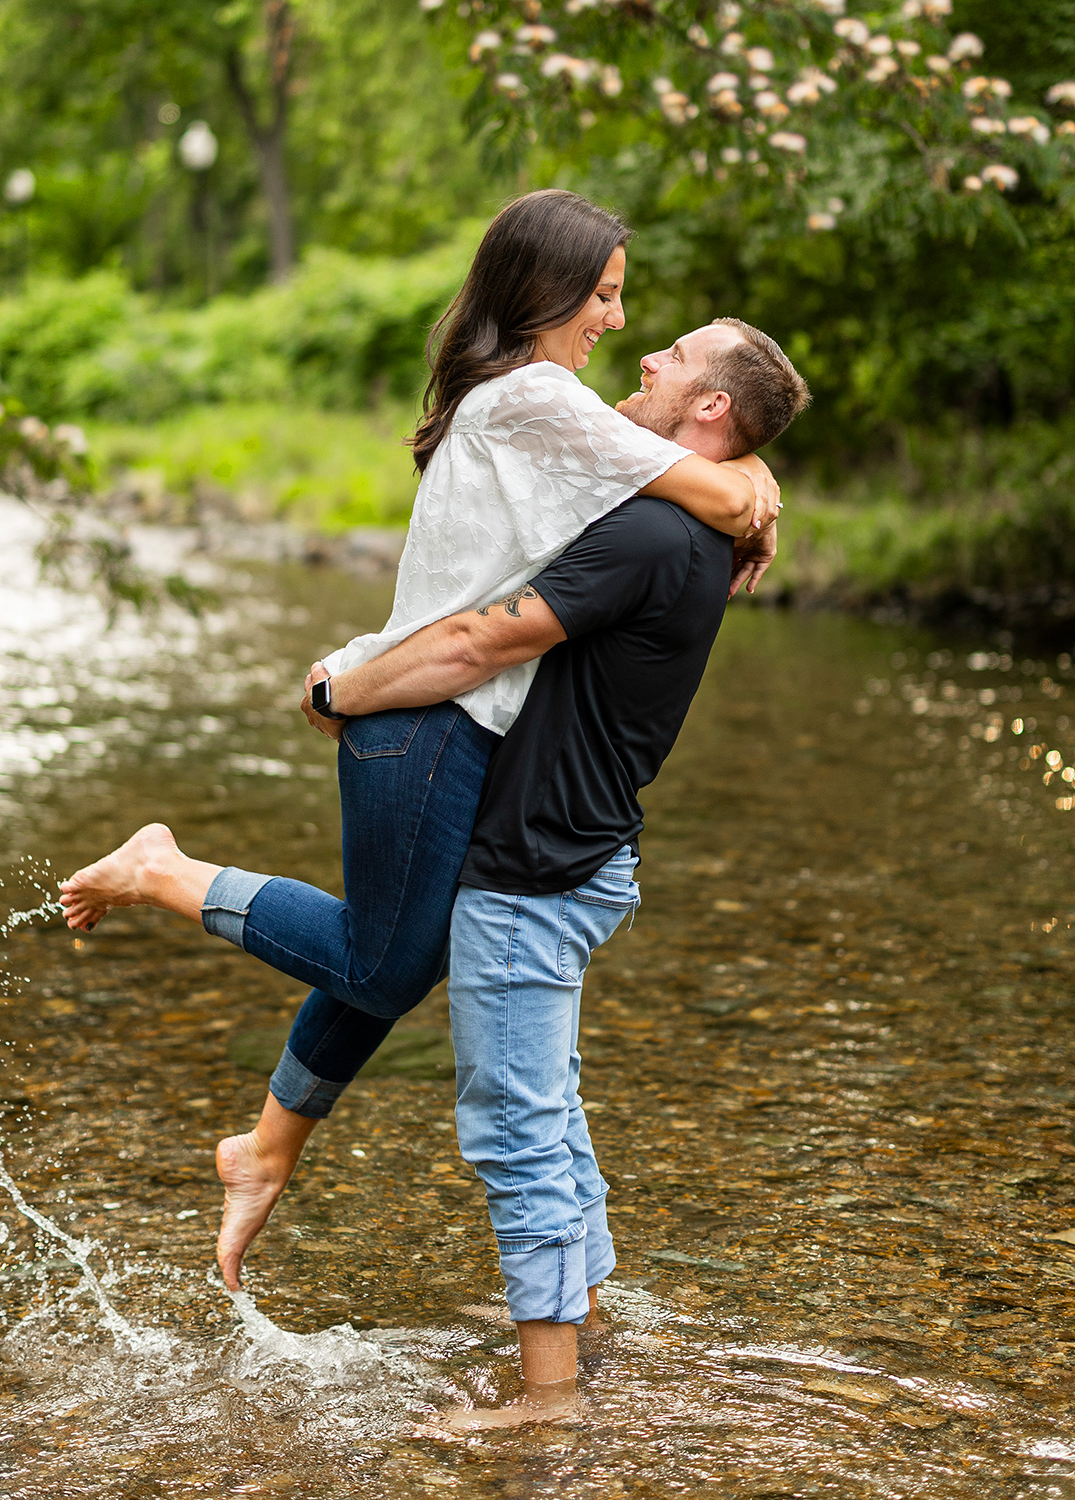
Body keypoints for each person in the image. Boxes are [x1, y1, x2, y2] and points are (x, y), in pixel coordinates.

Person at [57, 189, 785, 1287]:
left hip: (450, 721)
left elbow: (695, 478)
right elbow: (713, 491)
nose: (620, 323)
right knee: (384, 958)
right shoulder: (533, 396)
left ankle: (261, 1152)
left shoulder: (546, 403)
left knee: (401, 960)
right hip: (422, 719)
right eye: (606, 294)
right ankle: (163, 872)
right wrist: (754, 481)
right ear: (547, 289)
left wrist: (750, 468)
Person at [292, 334, 810, 1427]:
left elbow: (480, 642)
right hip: (585, 850)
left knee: (513, 1125)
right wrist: (756, 482)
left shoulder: (654, 528)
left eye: (673, 355)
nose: (646, 351)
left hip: (535, 865)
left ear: (709, 404)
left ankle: (550, 1399)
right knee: (551, 1104)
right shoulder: (694, 513)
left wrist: (345, 691)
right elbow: (644, 457)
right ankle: (579, 1306)